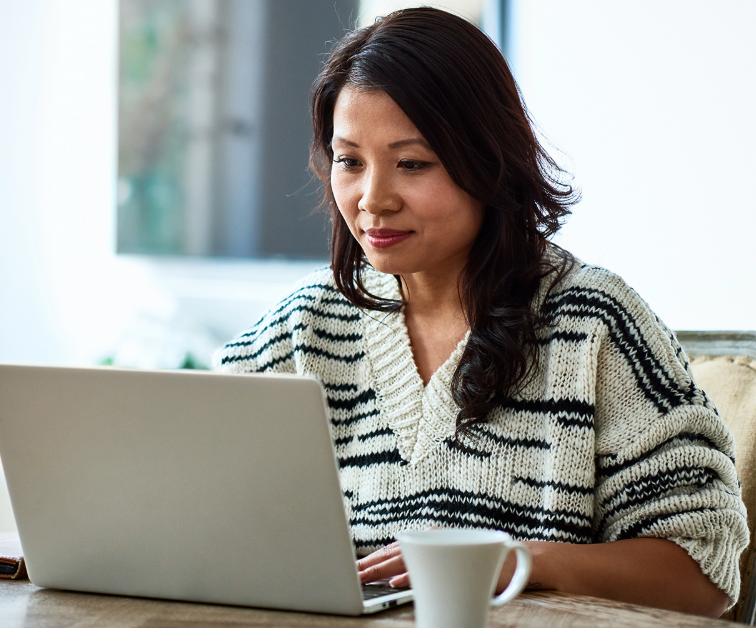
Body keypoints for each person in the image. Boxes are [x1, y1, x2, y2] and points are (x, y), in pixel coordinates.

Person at [212, 7, 746, 618]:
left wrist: (515, 562)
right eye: (349, 160)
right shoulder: (300, 329)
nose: (372, 199)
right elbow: (197, 516)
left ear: (487, 160)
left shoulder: (595, 323)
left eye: (412, 163)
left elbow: (702, 574)